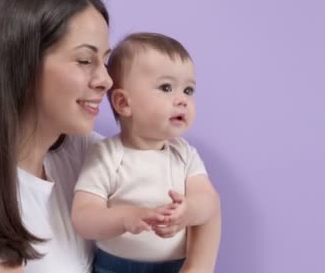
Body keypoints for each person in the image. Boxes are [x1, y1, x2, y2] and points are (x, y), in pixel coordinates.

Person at [0, 0, 220, 273]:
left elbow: (206, 203)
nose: (107, 81)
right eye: (85, 61)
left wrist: (197, 268)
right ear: (23, 65)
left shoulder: (81, 152)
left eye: (105, 62)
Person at [72, 33, 221, 273]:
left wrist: (188, 211)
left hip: (177, 267)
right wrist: (126, 218)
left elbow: (209, 201)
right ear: (123, 103)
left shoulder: (184, 155)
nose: (182, 100)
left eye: (189, 90)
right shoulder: (106, 155)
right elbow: (84, 218)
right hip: (116, 268)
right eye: (166, 87)